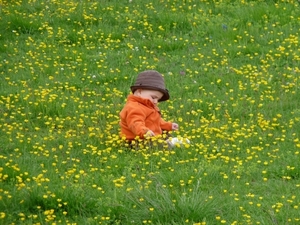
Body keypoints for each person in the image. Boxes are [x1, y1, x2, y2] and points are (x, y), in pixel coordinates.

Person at [119, 70, 179, 148]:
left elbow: (156, 121)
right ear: (139, 92)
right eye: (153, 97)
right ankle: (169, 145)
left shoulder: (148, 105)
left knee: (165, 133)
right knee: (154, 145)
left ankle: (169, 141)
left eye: (158, 99)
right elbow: (135, 123)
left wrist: (168, 125)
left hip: (151, 135)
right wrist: (144, 131)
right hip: (136, 139)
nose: (155, 101)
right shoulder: (134, 107)